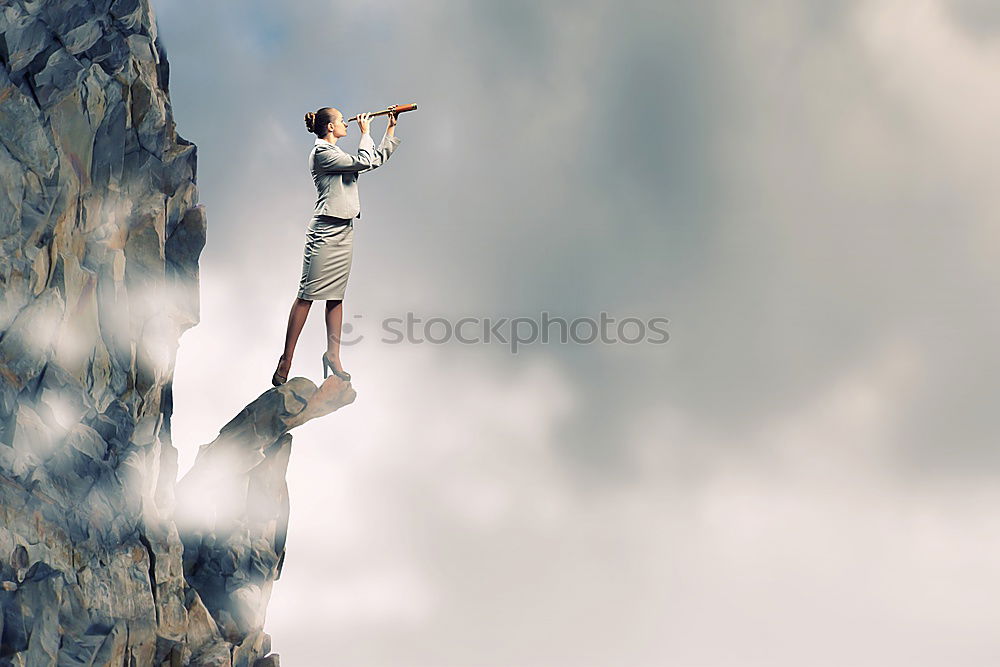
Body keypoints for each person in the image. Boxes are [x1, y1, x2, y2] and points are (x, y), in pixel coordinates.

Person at [272, 106, 401, 386]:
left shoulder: (338, 153)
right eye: (342, 121)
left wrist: (389, 128)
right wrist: (366, 133)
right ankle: (286, 360)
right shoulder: (322, 153)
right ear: (330, 127)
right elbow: (363, 161)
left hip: (344, 230)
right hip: (324, 232)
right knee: (307, 295)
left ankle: (333, 355)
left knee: (336, 297)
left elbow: (373, 160)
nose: (347, 123)